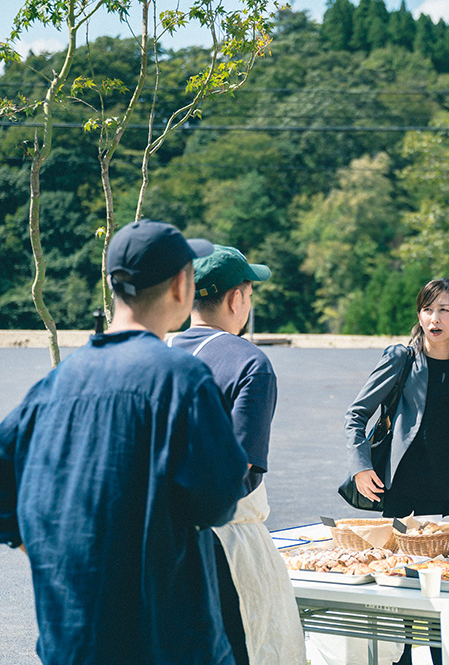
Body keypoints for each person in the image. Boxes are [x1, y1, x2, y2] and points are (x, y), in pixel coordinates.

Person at [0, 220, 248, 665]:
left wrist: (36, 545)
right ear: (181, 286)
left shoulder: (58, 382)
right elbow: (218, 499)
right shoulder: (181, 378)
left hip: (71, 636)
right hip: (164, 638)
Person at [346, 279, 449, 665]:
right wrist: (360, 466)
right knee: (403, 581)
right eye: (427, 309)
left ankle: (444, 659)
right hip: (408, 487)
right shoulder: (401, 358)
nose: (433, 318)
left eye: (443, 310)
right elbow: (356, 414)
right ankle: (401, 659)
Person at [169, 245, 304, 665]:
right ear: (235, 298)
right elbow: (239, 473)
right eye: (249, 292)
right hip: (222, 543)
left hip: (151, 537)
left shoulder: (157, 352)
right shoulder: (250, 364)